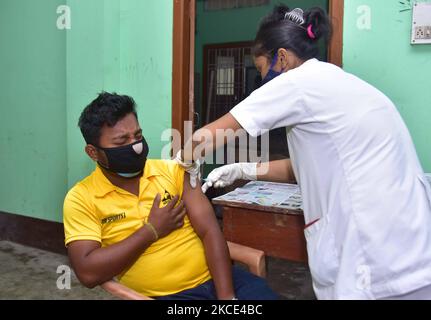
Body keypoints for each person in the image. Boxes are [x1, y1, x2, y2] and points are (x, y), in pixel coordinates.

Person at [177, 5, 431, 300]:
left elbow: (205, 137)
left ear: (281, 57)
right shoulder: (335, 81)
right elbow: (306, 167)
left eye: (261, 70)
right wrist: (243, 169)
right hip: (411, 245)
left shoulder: (296, 84)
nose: (262, 81)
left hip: (374, 256)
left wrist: (182, 163)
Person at [63, 92, 278, 300]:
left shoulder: (173, 170)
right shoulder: (81, 198)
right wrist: (151, 231)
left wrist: (226, 298)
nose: (136, 147)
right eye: (121, 142)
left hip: (219, 281)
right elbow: (88, 272)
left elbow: (210, 231)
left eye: (138, 135)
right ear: (93, 152)